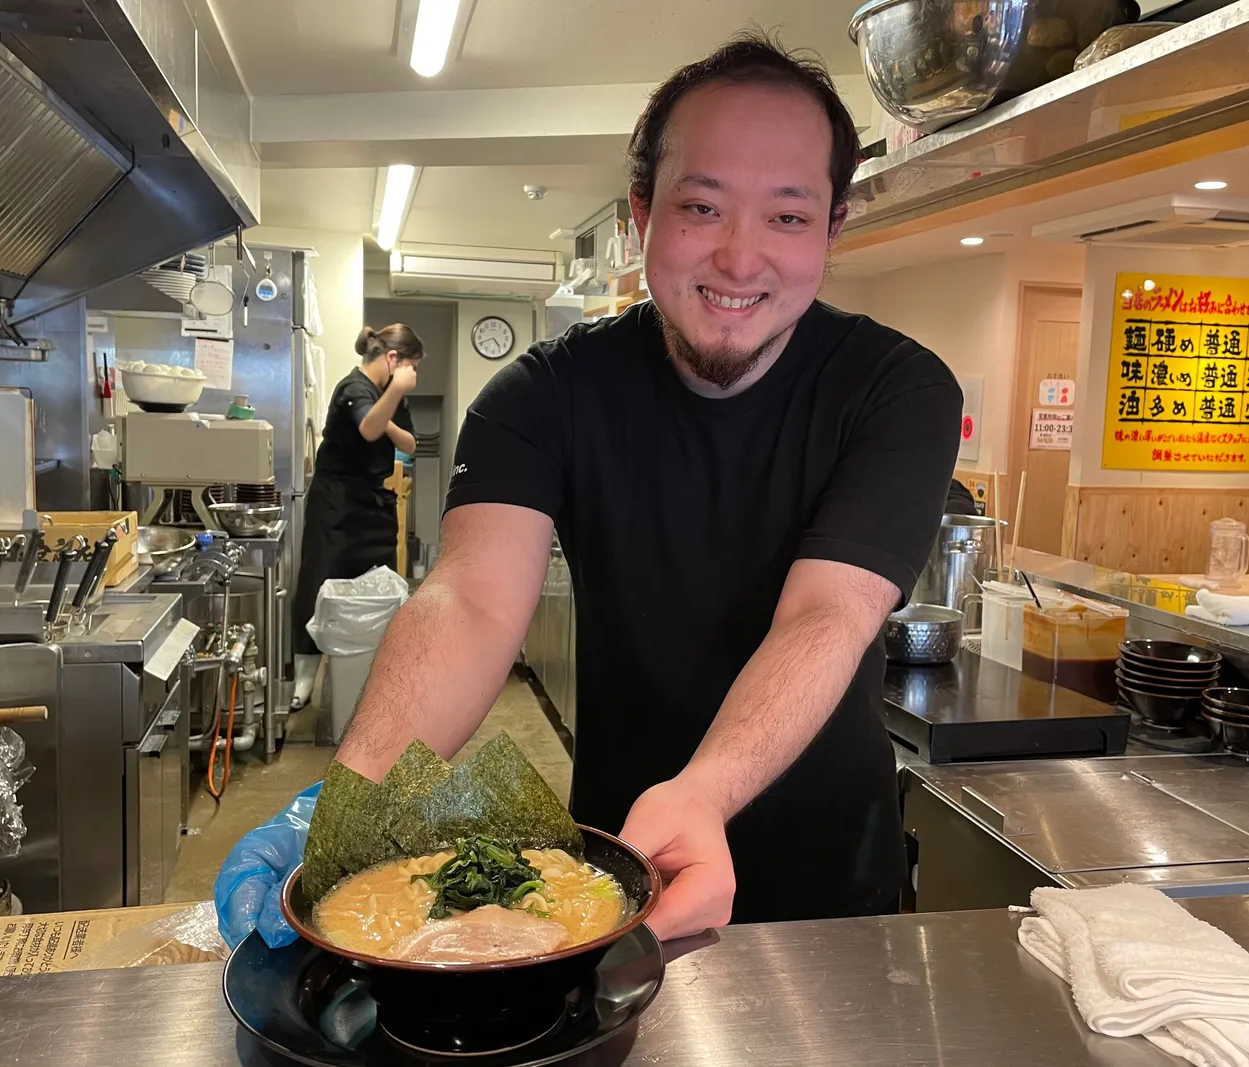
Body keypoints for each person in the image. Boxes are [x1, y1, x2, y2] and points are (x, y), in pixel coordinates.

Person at [219, 32, 961, 946]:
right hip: (608, 879)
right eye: (702, 206)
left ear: (833, 230)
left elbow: (829, 614)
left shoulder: (897, 389)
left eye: (788, 217)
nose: (738, 258)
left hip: (831, 896)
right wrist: (347, 802)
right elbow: (471, 602)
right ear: (641, 215)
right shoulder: (544, 394)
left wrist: (705, 792)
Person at [290, 324, 422, 708]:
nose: (414, 376)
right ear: (393, 359)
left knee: (378, 587)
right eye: (411, 366)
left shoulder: (390, 395)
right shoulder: (354, 388)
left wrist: (392, 411)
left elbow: (411, 444)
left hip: (373, 500)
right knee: (318, 584)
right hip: (336, 501)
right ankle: (304, 678)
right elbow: (368, 429)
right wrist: (395, 392)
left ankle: (371, 673)